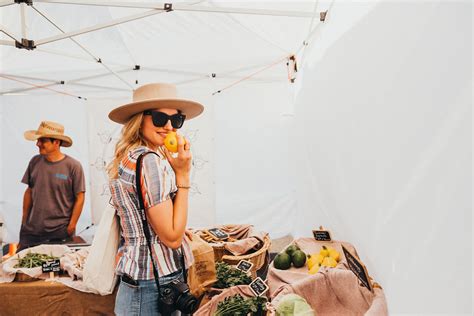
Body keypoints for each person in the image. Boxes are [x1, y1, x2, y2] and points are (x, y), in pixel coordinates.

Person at [107, 83, 204, 315]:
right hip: (153, 284)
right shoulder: (149, 161)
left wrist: (176, 227)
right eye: (160, 118)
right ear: (140, 119)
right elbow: (171, 237)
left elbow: (140, 217)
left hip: (140, 281)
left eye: (176, 120)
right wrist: (183, 174)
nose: (169, 126)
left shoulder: (130, 155)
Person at [19, 121, 86, 251]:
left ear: (56, 142)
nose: (37, 144)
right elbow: (29, 191)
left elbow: (80, 197)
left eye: (42, 140)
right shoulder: (34, 161)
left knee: (58, 268)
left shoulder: (73, 166)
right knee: (25, 266)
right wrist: (24, 221)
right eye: (38, 140)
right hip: (32, 231)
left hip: (59, 232)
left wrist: (71, 226)